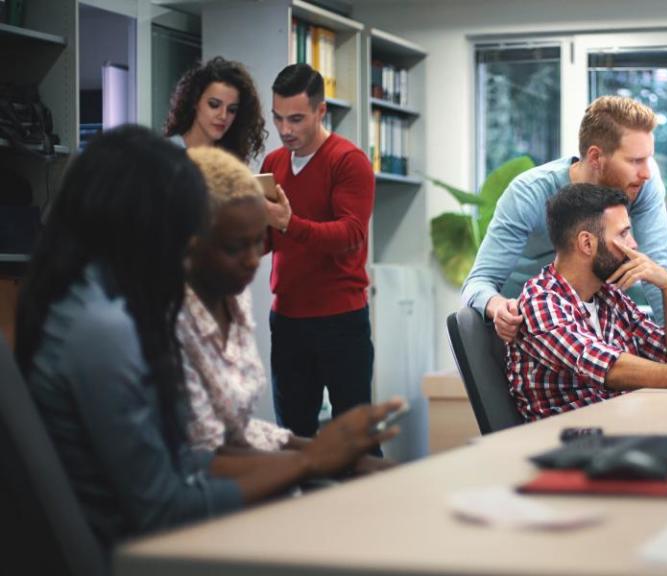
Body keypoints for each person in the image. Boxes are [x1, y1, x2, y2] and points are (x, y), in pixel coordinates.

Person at [14, 126, 402, 552]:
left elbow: (186, 456)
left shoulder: (86, 298)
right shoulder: (105, 329)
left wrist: (315, 460)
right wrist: (310, 461)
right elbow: (163, 507)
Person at [179, 146, 392, 475]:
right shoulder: (175, 322)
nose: (254, 259)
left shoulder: (236, 305)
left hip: (342, 318)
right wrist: (310, 458)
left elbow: (242, 430)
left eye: (257, 242)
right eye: (239, 246)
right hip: (202, 497)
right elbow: (202, 456)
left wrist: (331, 453)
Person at [507, 183, 667, 421]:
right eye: (623, 233)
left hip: (621, 430)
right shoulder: (540, 301)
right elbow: (605, 366)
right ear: (587, 243)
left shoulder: (609, 296)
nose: (633, 244)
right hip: (568, 443)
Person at [462, 96, 667, 343]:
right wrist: (498, 307)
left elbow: (656, 272)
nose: (646, 172)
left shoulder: (641, 184)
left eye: (648, 158)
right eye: (635, 160)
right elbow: (478, 282)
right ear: (595, 157)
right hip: (527, 330)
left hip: (589, 326)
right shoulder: (528, 193)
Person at [259, 64, 377, 440]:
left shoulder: (348, 160)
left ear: (320, 111)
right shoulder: (273, 164)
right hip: (288, 318)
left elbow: (351, 233)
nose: (285, 129)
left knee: (352, 441)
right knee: (292, 438)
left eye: (296, 119)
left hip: (341, 320)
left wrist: (289, 223)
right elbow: (268, 237)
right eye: (278, 118)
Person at [164, 56, 267, 163]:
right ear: (195, 101)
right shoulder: (166, 154)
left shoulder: (230, 161)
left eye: (232, 110)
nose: (223, 116)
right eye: (214, 105)